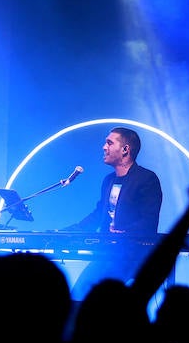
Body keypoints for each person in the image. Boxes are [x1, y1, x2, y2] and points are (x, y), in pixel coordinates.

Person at [65, 126, 163, 297]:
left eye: (109, 143)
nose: (104, 147)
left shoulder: (147, 179)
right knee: (78, 293)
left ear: (126, 149)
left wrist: (125, 232)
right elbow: (98, 214)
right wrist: (71, 231)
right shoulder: (108, 180)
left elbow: (149, 220)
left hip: (132, 255)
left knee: (91, 295)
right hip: (107, 253)